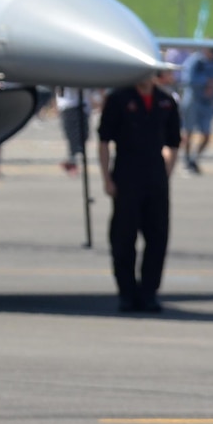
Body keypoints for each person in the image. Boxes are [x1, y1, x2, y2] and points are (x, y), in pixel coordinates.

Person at [97, 70, 182, 313]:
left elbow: (173, 142)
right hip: (126, 173)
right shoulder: (119, 99)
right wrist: (107, 178)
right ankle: (126, 292)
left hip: (155, 175)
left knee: (158, 236)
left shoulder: (166, 102)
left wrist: (166, 172)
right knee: (123, 237)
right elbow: (104, 140)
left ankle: (149, 292)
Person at [55, 87, 91, 175]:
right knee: (73, 136)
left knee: (82, 136)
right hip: (70, 105)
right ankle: (73, 162)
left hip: (79, 105)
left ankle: (72, 160)